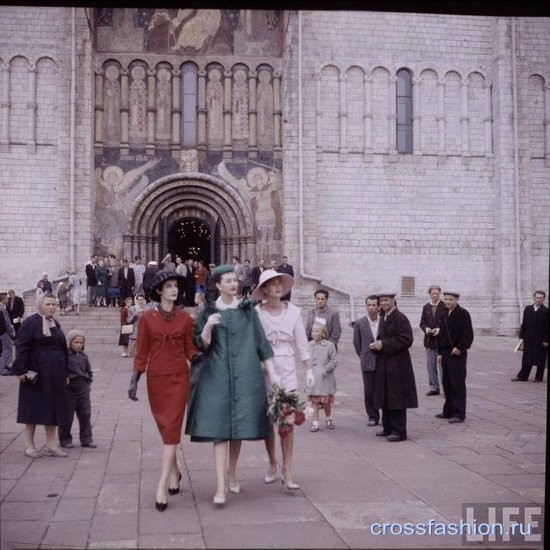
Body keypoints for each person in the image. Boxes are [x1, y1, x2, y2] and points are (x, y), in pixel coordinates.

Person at [186, 265, 276, 505]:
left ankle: (232, 473)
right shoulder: (208, 310)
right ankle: (219, 487)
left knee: (238, 426)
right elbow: (200, 345)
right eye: (228, 280)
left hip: (244, 373)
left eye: (235, 280)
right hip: (216, 375)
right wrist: (207, 328)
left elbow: (260, 341)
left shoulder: (247, 310)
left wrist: (273, 372)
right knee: (219, 429)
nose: (233, 284)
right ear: (217, 285)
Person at [128, 270, 199, 512]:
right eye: (168, 286)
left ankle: (162, 486)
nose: (173, 290)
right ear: (159, 290)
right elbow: (142, 352)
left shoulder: (186, 318)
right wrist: (135, 378)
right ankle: (176, 471)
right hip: (156, 379)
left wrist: (199, 355)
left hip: (179, 378)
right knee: (164, 429)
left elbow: (189, 348)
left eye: (176, 286)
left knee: (172, 430)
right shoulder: (147, 318)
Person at [253, 270, 314, 489]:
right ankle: (272, 462)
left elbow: (301, 344)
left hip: (287, 368)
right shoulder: (257, 313)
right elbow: (254, 343)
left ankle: (288, 469)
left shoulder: (294, 313)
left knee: (287, 419)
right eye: (273, 284)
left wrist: (308, 369)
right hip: (265, 370)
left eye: (280, 283)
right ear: (264, 290)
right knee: (269, 419)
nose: (278, 287)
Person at [10, 292, 69, 458]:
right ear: (40, 305)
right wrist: (20, 370)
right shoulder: (30, 323)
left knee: (53, 407)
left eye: (54, 305)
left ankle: (51, 444)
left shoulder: (55, 323)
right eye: (48, 304)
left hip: (55, 373)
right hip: (36, 372)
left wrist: (65, 371)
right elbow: (22, 347)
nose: (51, 308)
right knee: (33, 407)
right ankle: (29, 445)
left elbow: (63, 348)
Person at [371, 292, 418, 442]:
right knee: (386, 395)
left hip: (398, 364)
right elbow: (384, 338)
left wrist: (384, 344)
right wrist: (377, 345)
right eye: (382, 301)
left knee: (397, 397)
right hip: (385, 363)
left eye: (386, 300)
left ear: (393, 301)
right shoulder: (384, 317)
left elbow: (406, 339)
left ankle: (399, 431)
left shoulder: (400, 318)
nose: (384, 303)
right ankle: (388, 428)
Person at [436, 291, 474, 424]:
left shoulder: (463, 314)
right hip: (445, 353)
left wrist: (460, 347)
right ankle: (448, 411)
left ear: (457, 300)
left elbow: (468, 335)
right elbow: (441, 337)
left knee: (457, 383)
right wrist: (439, 353)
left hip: (457, 354)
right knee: (446, 382)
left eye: (450, 299)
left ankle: (459, 413)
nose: (448, 302)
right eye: (446, 299)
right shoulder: (444, 314)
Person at [58, 330, 96, 449]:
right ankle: (65, 439)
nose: (78, 345)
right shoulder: (65, 355)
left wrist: (88, 379)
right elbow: (61, 369)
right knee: (67, 414)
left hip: (82, 386)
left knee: (85, 412)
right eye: (76, 342)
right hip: (69, 386)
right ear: (70, 342)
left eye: (81, 342)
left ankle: (86, 439)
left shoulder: (84, 356)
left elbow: (88, 370)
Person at [353, 295, 381, 426]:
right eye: (369, 305)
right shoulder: (360, 323)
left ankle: (386, 415)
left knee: (384, 389)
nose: (371, 308)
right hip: (367, 360)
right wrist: (364, 355)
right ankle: (372, 415)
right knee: (369, 391)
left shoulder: (384, 321)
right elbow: (357, 343)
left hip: (383, 360)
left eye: (374, 305)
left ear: (378, 306)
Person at [306, 320, 337, 432]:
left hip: (325, 378)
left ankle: (328, 418)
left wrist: (325, 370)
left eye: (317, 331)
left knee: (326, 401)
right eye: (313, 331)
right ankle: (315, 422)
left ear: (323, 333)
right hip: (313, 378)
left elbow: (334, 361)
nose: (314, 333)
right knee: (314, 401)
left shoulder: (330, 345)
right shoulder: (309, 345)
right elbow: (306, 359)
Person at [511, 290, 548, 382]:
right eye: (537, 297)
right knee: (526, 358)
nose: (538, 300)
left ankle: (538, 377)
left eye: (541, 298)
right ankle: (522, 376)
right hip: (529, 338)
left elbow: (548, 327)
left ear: (543, 299)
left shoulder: (546, 311)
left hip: (540, 339)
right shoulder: (528, 309)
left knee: (540, 359)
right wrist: (521, 336)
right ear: (533, 298)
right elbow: (524, 324)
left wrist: (546, 340)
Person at [419, 285, 447, 396]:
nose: (435, 295)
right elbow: (422, 322)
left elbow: (447, 321)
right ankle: (434, 387)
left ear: (440, 294)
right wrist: (426, 329)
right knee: (431, 366)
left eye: (437, 293)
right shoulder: (426, 307)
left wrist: (440, 329)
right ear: (430, 294)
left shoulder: (444, 306)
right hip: (429, 340)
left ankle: (446, 389)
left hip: (441, 341)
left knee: (442, 367)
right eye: (433, 293)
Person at [0, 293, 15, 374]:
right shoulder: (3, 309)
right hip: (4, 332)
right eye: (6, 298)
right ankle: (5, 370)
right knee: (8, 351)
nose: (8, 300)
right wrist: (12, 332)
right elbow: (7, 323)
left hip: (1, 333)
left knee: (3, 351)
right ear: (2, 299)